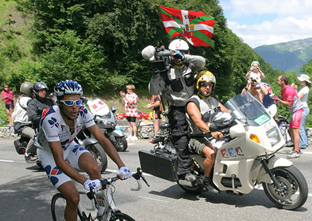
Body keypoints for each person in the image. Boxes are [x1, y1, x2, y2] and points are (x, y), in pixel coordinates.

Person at [35, 80, 132, 220]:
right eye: (69, 103)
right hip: (49, 154)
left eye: (78, 102)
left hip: (68, 145)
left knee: (94, 168)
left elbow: (103, 140)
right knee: (73, 198)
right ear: (59, 102)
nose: (75, 107)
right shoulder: (50, 119)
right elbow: (60, 162)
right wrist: (85, 181)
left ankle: (101, 210)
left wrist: (121, 165)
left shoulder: (82, 111)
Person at [143, 39, 206, 183]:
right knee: (181, 137)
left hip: (197, 104)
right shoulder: (165, 71)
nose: (178, 57)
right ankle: (184, 171)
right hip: (178, 108)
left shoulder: (191, 65)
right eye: (176, 55)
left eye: (182, 53)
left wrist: (184, 57)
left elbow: (202, 61)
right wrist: (155, 74)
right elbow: (154, 90)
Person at [186, 71, 230, 192]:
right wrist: (211, 132)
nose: (207, 87)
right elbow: (198, 122)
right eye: (204, 84)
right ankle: (206, 179)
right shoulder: (193, 102)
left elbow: (227, 112)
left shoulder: (213, 99)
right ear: (198, 86)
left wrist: (241, 118)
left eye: (210, 85)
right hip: (198, 137)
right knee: (212, 153)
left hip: (215, 134)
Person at [274, 75, 304, 158]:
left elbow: (289, 103)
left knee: (295, 130)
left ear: (283, 81)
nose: (277, 82)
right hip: (293, 111)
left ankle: (296, 151)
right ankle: (296, 147)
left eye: (278, 80)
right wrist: (276, 99)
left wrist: (278, 100)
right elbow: (283, 100)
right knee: (290, 130)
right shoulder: (284, 89)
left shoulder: (288, 90)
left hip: (297, 110)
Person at [26, 82, 54, 160]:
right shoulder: (32, 103)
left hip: (52, 124)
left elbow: (57, 109)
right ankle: (29, 152)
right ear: (36, 92)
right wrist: (43, 118)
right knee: (35, 136)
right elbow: (32, 116)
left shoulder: (49, 101)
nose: (43, 92)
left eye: (44, 90)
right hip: (39, 126)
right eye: (41, 90)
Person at [12, 82, 37, 162]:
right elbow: (34, 106)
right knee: (35, 135)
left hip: (26, 124)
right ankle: (28, 154)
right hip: (22, 125)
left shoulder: (21, 99)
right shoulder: (26, 100)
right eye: (32, 91)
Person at [291, 74, 310, 149]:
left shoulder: (305, 89)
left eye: (301, 80)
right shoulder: (304, 88)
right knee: (300, 126)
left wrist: (294, 89)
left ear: (304, 81)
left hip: (303, 108)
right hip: (303, 108)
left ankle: (303, 143)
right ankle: (303, 142)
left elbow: (298, 98)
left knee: (300, 126)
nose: (299, 81)